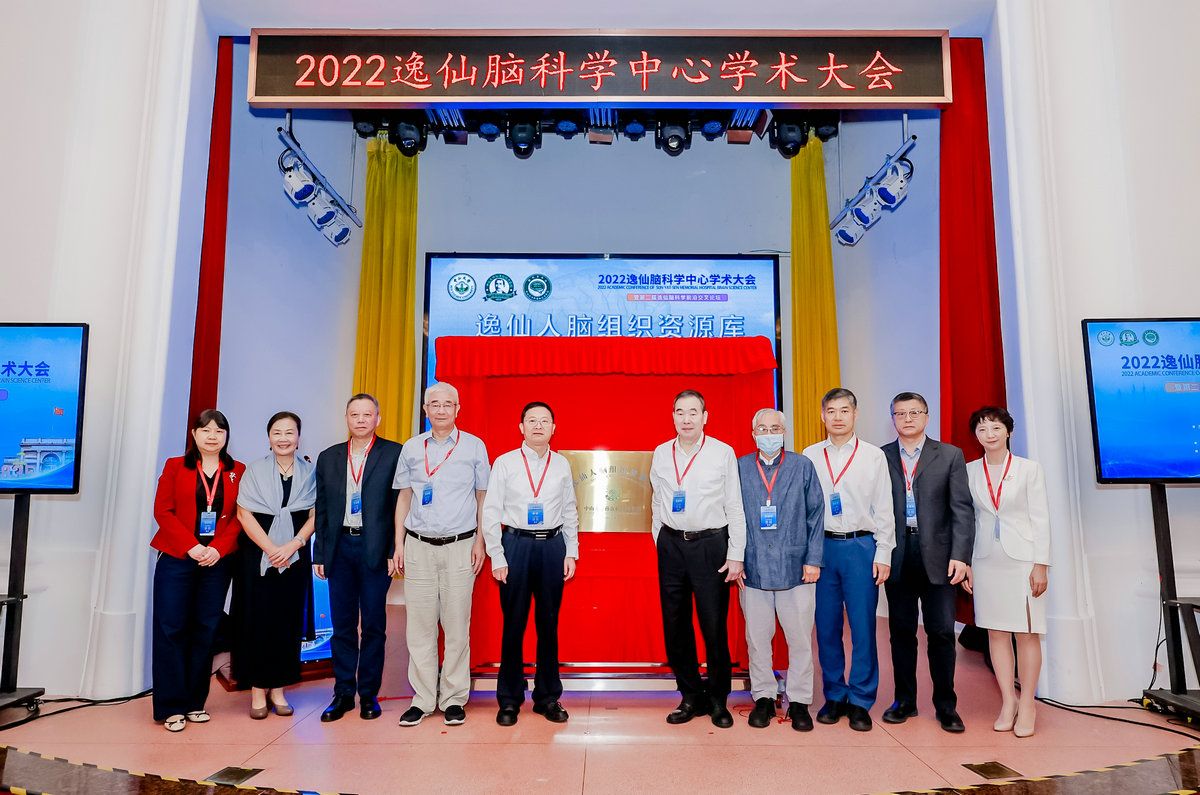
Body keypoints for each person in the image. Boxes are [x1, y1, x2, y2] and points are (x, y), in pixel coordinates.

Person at [392, 382, 490, 728]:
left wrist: (480, 542)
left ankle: (453, 698)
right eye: (435, 404)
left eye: (448, 404)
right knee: (419, 626)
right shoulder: (411, 447)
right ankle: (422, 699)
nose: (441, 410)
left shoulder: (474, 446)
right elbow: (404, 496)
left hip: (461, 546)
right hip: (418, 546)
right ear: (425, 409)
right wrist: (399, 543)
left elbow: (483, 498)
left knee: (456, 625)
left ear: (458, 409)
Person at [650, 389, 746, 729]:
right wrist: (659, 539)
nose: (686, 419)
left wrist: (736, 554)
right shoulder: (662, 453)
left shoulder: (722, 452)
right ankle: (690, 695)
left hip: (710, 546)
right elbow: (658, 500)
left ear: (705, 417)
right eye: (680, 412)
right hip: (672, 546)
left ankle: (718, 699)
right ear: (673, 416)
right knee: (675, 624)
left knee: (713, 625)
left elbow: (734, 505)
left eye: (693, 412)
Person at [880, 392, 975, 733]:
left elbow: (962, 509)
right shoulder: (880, 457)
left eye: (914, 412)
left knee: (941, 633)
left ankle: (946, 706)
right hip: (898, 555)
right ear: (892, 418)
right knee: (901, 633)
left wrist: (961, 556)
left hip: (940, 557)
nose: (907, 419)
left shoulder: (949, 455)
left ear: (926, 416)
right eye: (900, 413)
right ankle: (904, 701)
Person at [802, 388, 895, 732]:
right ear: (822, 416)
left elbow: (884, 507)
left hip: (861, 547)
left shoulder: (873, 456)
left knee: (862, 626)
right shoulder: (810, 455)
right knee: (826, 626)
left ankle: (860, 699)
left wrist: (883, 552)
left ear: (855, 414)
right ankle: (835, 694)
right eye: (831, 411)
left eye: (844, 410)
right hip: (821, 549)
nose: (838, 417)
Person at [482, 401, 579, 726]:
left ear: (554, 428)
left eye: (544, 421)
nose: (538, 426)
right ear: (521, 427)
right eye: (532, 421)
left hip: (552, 546)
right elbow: (491, 511)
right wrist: (497, 555)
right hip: (516, 546)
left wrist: (571, 551)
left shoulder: (561, 464)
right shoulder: (505, 463)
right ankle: (509, 699)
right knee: (514, 624)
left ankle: (547, 697)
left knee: (548, 625)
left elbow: (569, 509)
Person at [150, 409, 245, 733]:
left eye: (219, 430)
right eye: (206, 430)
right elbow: (163, 510)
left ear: (226, 436)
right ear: (194, 434)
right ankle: (171, 706)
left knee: (206, 628)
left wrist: (217, 548)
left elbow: (240, 516)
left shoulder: (237, 471)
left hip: (217, 561)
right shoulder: (175, 466)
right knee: (171, 629)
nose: (212, 436)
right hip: (178, 557)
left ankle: (194, 702)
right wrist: (191, 546)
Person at [313, 394, 402, 722]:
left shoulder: (394, 454)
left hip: (375, 549)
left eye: (367, 414)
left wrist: (394, 550)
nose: (361, 420)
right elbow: (322, 508)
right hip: (340, 549)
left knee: (374, 625)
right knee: (343, 626)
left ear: (378, 418)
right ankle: (343, 693)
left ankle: (368, 695)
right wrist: (320, 553)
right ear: (347, 418)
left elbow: (399, 506)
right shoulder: (329, 457)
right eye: (355, 414)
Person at [737, 408, 825, 731]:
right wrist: (735, 559)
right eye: (762, 429)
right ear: (753, 434)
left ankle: (799, 701)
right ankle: (763, 697)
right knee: (757, 639)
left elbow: (816, 514)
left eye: (774, 428)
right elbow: (730, 515)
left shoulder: (802, 466)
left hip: (797, 569)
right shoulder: (740, 468)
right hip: (753, 567)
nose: (769, 434)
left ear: (784, 432)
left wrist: (813, 559)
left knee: (799, 638)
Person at [966, 406, 1051, 737]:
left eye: (996, 428)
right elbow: (968, 520)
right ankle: (1008, 701)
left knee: (1027, 633)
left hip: (1023, 561)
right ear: (976, 435)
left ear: (1008, 432)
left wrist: (1041, 564)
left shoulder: (1029, 469)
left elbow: (1041, 519)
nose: (989, 434)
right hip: (986, 560)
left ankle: (1028, 703)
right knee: (996, 633)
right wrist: (967, 564)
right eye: (982, 429)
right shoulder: (970, 471)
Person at [232, 411, 317, 719]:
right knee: (257, 621)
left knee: (287, 621)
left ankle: (279, 689)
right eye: (277, 433)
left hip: (295, 555)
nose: (283, 438)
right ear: (269, 437)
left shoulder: (310, 473)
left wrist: (293, 545)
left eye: (289, 432)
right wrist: (271, 549)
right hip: (258, 556)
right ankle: (257, 689)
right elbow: (244, 514)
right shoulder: (253, 471)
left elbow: (315, 514)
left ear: (298, 438)